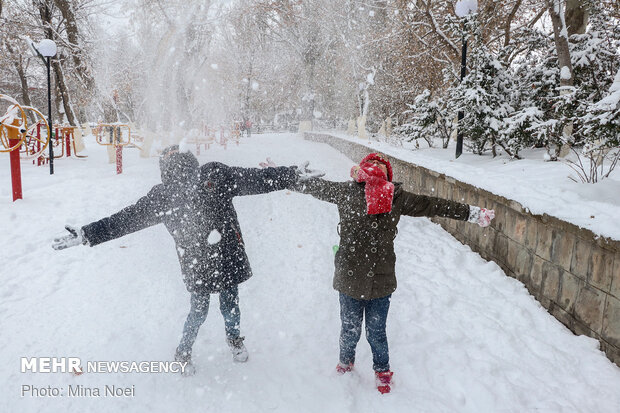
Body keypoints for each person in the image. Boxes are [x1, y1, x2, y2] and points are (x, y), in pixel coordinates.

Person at [52, 145, 323, 375]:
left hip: (204, 264)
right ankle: (226, 343)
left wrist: (90, 233)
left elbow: (125, 220)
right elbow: (256, 179)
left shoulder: (182, 188)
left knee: (202, 311)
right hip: (220, 261)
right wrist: (291, 175)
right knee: (227, 307)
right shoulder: (208, 177)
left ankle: (187, 352)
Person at [293, 152, 494, 394]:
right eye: (372, 163)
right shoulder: (346, 191)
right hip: (349, 276)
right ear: (362, 169)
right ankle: (345, 363)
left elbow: (434, 204)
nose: (377, 166)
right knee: (349, 328)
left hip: (381, 278)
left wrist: (472, 213)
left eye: (382, 165)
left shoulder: (396, 197)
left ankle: (382, 370)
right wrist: (287, 176)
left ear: (389, 174)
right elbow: (316, 187)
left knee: (377, 331)